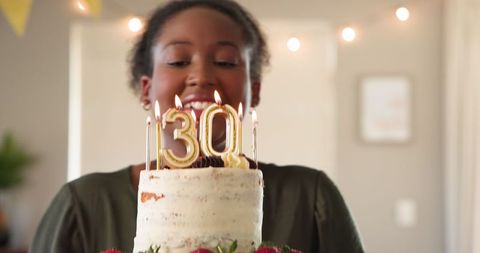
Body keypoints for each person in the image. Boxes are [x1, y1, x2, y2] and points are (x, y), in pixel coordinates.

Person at [30, 0, 364, 252]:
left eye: (225, 62)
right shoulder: (83, 205)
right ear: (146, 89)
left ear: (255, 89)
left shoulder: (309, 198)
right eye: (177, 61)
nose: (202, 76)